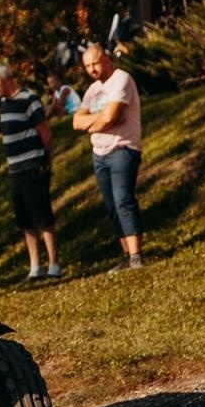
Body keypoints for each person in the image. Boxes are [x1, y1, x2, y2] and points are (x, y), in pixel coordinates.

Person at [72, 44, 144, 270]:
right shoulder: (93, 90)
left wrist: (94, 123)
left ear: (106, 60)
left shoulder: (121, 79)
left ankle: (136, 256)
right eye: (87, 66)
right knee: (111, 204)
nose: (92, 69)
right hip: (100, 154)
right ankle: (125, 254)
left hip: (122, 149)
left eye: (95, 63)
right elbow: (76, 121)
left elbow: (112, 116)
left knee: (124, 199)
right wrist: (99, 120)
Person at [0, 64, 61, 281]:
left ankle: (54, 263)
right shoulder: (3, 104)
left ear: (8, 79)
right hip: (15, 168)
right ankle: (35, 266)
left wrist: (46, 159)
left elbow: (45, 133)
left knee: (42, 216)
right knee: (25, 220)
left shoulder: (29, 99)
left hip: (32, 165)